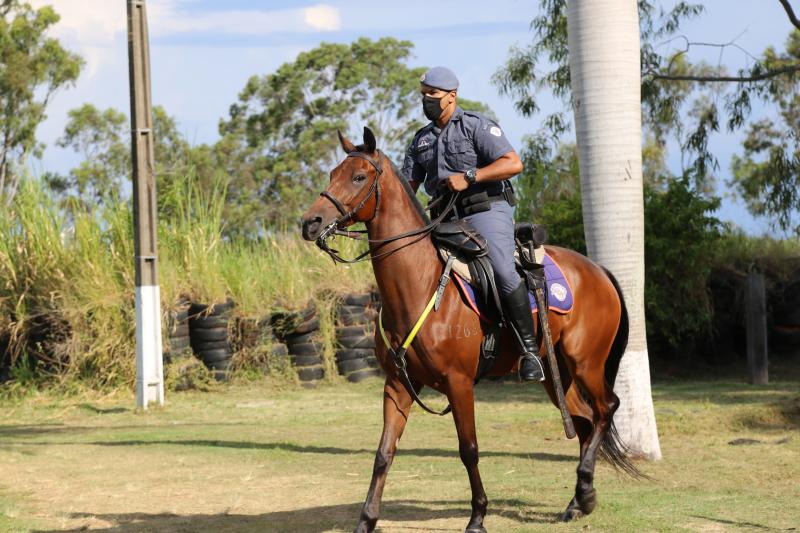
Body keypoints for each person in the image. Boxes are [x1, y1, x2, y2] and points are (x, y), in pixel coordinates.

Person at [402, 66, 545, 382]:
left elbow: (513, 163)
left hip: (486, 210)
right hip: (444, 218)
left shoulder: (475, 126)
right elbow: (406, 190)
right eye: (423, 95)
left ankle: (530, 352)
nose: (426, 100)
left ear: (451, 97)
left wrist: (470, 177)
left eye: (432, 95)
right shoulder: (421, 141)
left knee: (503, 271)